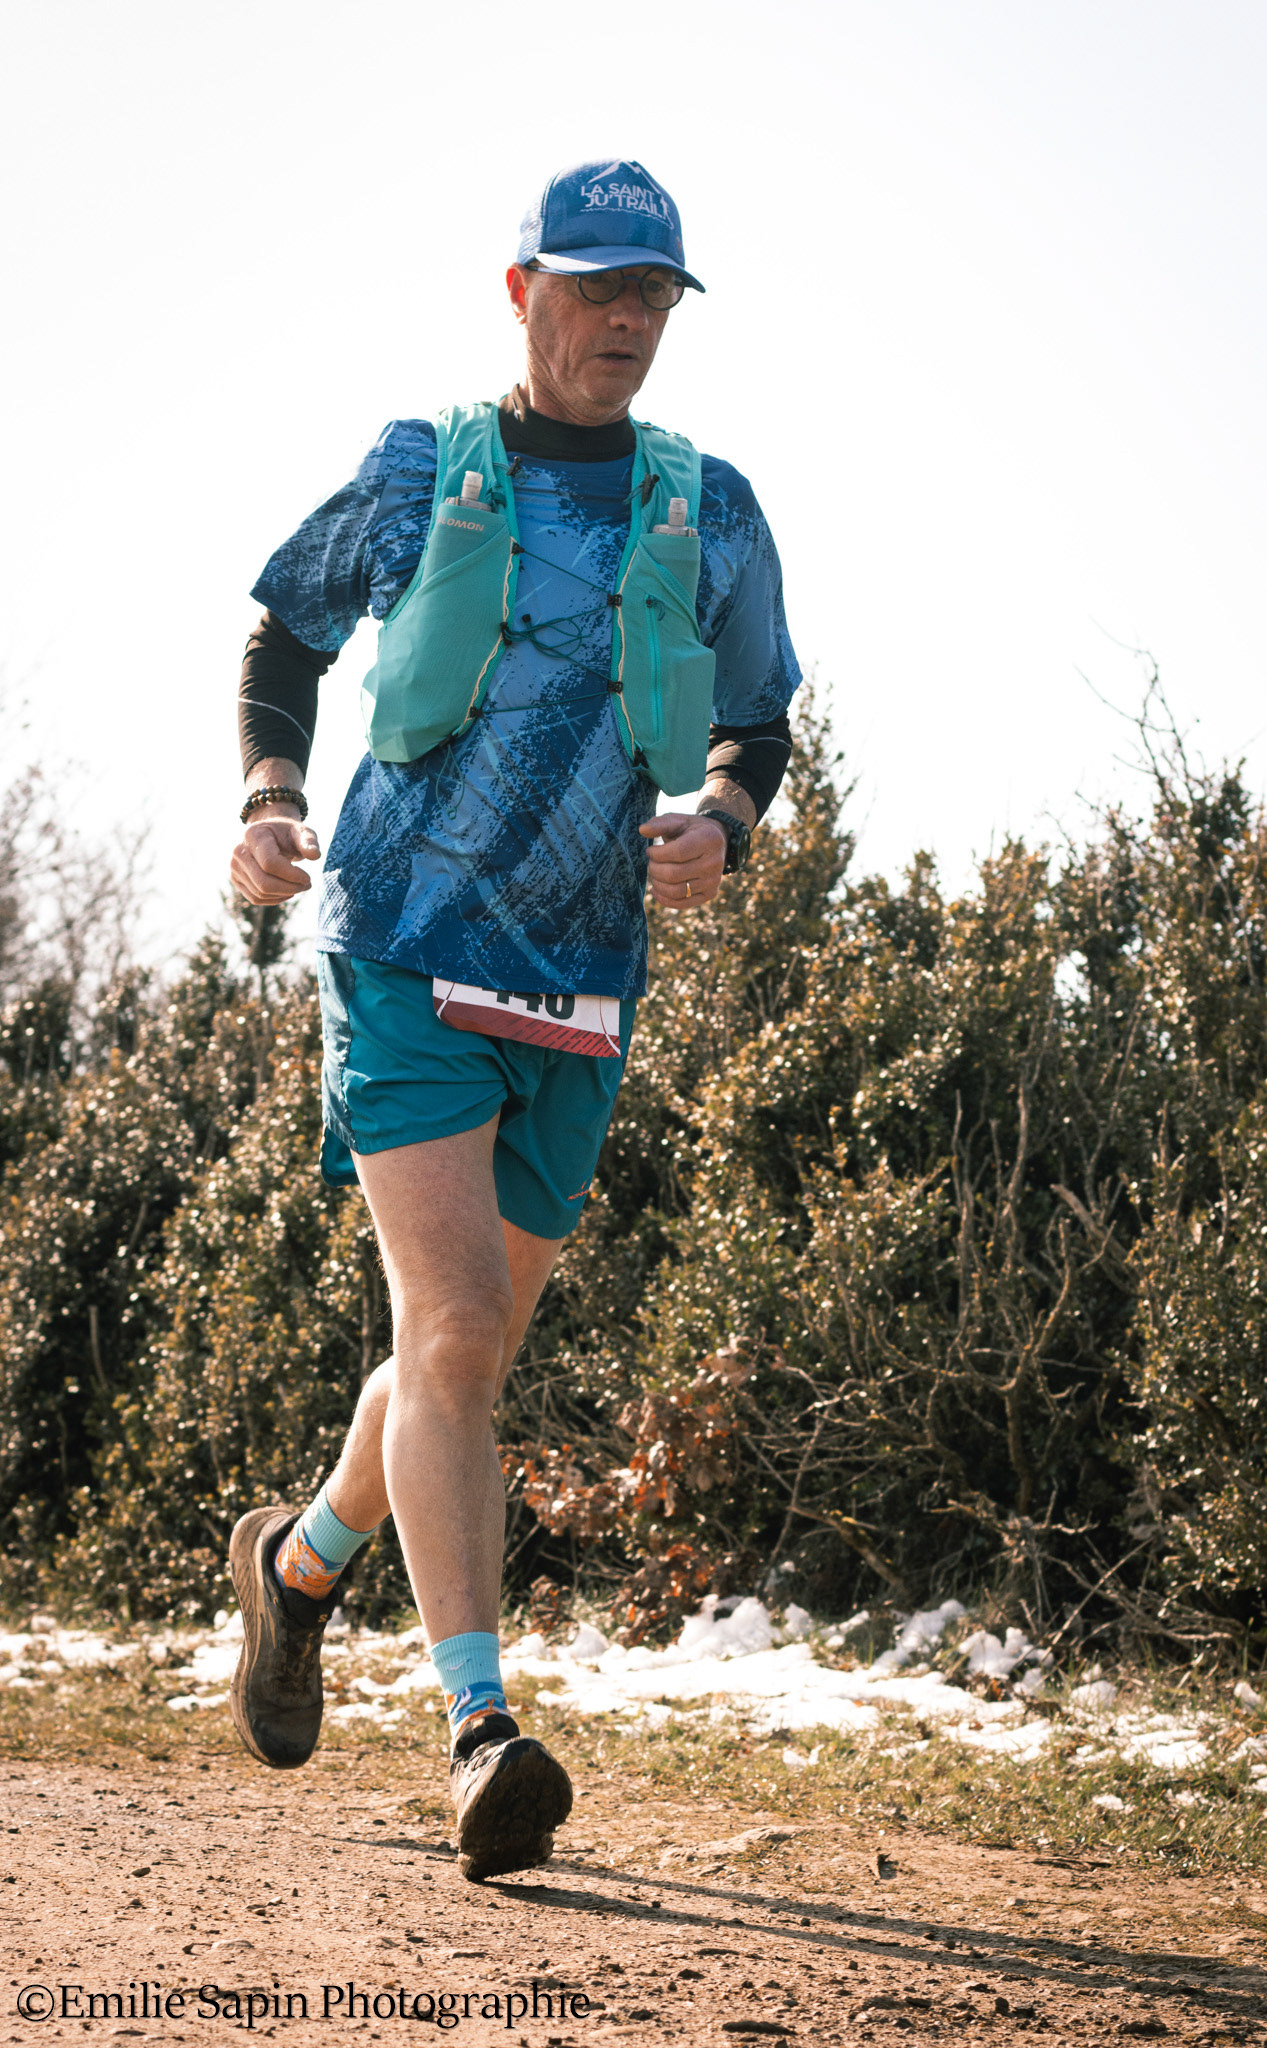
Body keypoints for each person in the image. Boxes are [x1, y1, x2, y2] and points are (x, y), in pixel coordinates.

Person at [226, 158, 800, 1881]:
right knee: (460, 1327)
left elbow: (757, 720)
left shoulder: (711, 507)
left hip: (579, 979)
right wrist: (266, 796)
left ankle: (299, 1570)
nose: (625, 320)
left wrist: (726, 818)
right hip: (403, 949)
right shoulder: (421, 467)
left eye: (652, 295)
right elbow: (282, 632)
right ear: (522, 291)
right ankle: (482, 1733)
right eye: (594, 287)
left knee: (455, 1356)